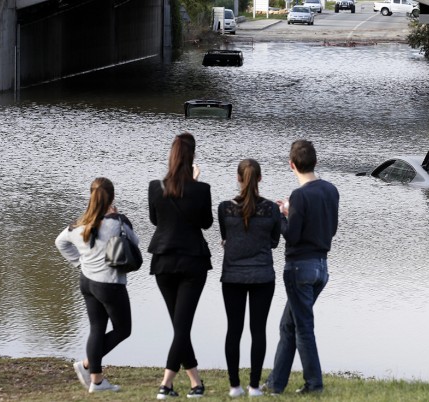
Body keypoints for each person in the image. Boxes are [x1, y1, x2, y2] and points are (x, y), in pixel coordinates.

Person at [263, 139, 340, 394]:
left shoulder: (299, 195)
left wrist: (283, 215)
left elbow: (292, 236)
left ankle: (314, 384)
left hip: (299, 268)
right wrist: (291, 211)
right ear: (315, 162)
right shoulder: (330, 190)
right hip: (322, 268)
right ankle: (276, 384)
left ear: (291, 165)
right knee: (289, 325)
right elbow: (332, 229)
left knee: (303, 327)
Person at [55, 177, 136, 393]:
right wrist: (118, 216)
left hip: (87, 282)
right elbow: (134, 243)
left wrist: (78, 262)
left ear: (91, 196)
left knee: (97, 328)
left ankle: (97, 381)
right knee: (123, 330)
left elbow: (60, 241)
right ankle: (87, 366)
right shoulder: (118, 221)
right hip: (109, 285)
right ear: (112, 197)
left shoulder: (80, 223)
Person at [148, 132, 213, 399]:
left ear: (171, 157)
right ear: (192, 157)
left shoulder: (155, 187)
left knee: (179, 326)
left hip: (163, 261)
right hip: (192, 262)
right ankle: (166, 385)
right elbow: (206, 223)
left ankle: (196, 383)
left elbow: (154, 220)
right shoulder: (201, 189)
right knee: (182, 327)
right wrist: (194, 185)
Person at [218, 159, 281, 398]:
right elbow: (274, 241)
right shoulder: (272, 210)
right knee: (258, 330)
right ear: (260, 179)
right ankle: (254, 386)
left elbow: (225, 237)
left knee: (233, 329)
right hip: (263, 276)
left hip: (232, 275)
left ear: (238, 178)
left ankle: (235, 386)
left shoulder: (224, 208)